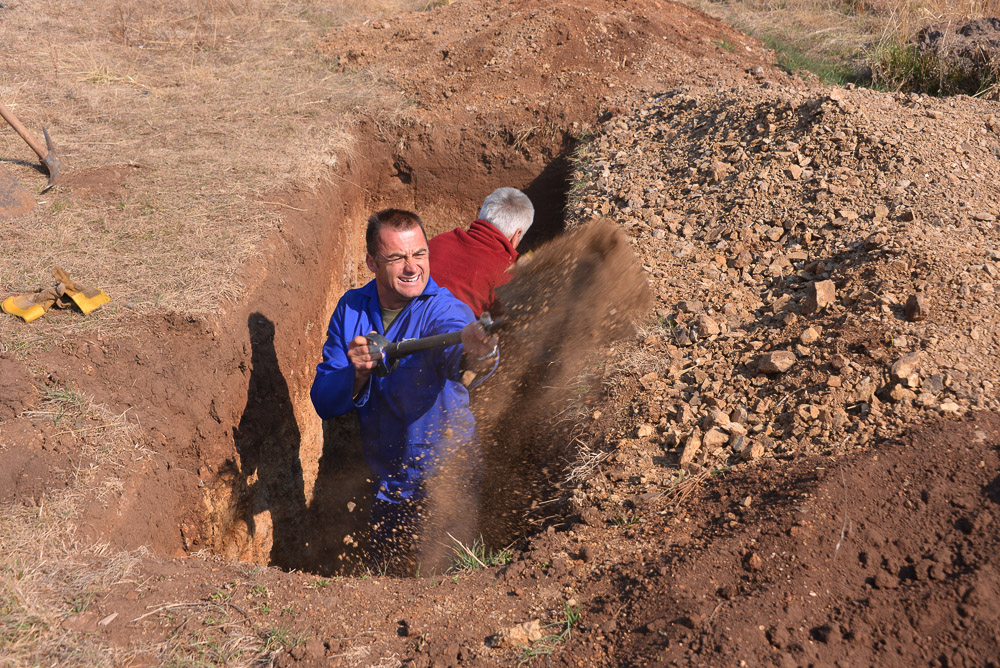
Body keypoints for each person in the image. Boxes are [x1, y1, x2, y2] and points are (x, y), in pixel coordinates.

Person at [309, 208, 497, 571]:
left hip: (447, 470)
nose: (412, 268)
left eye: (419, 254)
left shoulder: (443, 310)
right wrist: (357, 374)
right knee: (386, 577)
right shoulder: (351, 309)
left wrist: (479, 350)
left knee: (447, 579)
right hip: (388, 477)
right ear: (371, 262)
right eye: (397, 257)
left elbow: (462, 351)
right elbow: (323, 400)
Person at [428, 187, 534, 316]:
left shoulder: (438, 241)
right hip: (454, 334)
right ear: (517, 234)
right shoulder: (507, 275)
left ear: (482, 215)